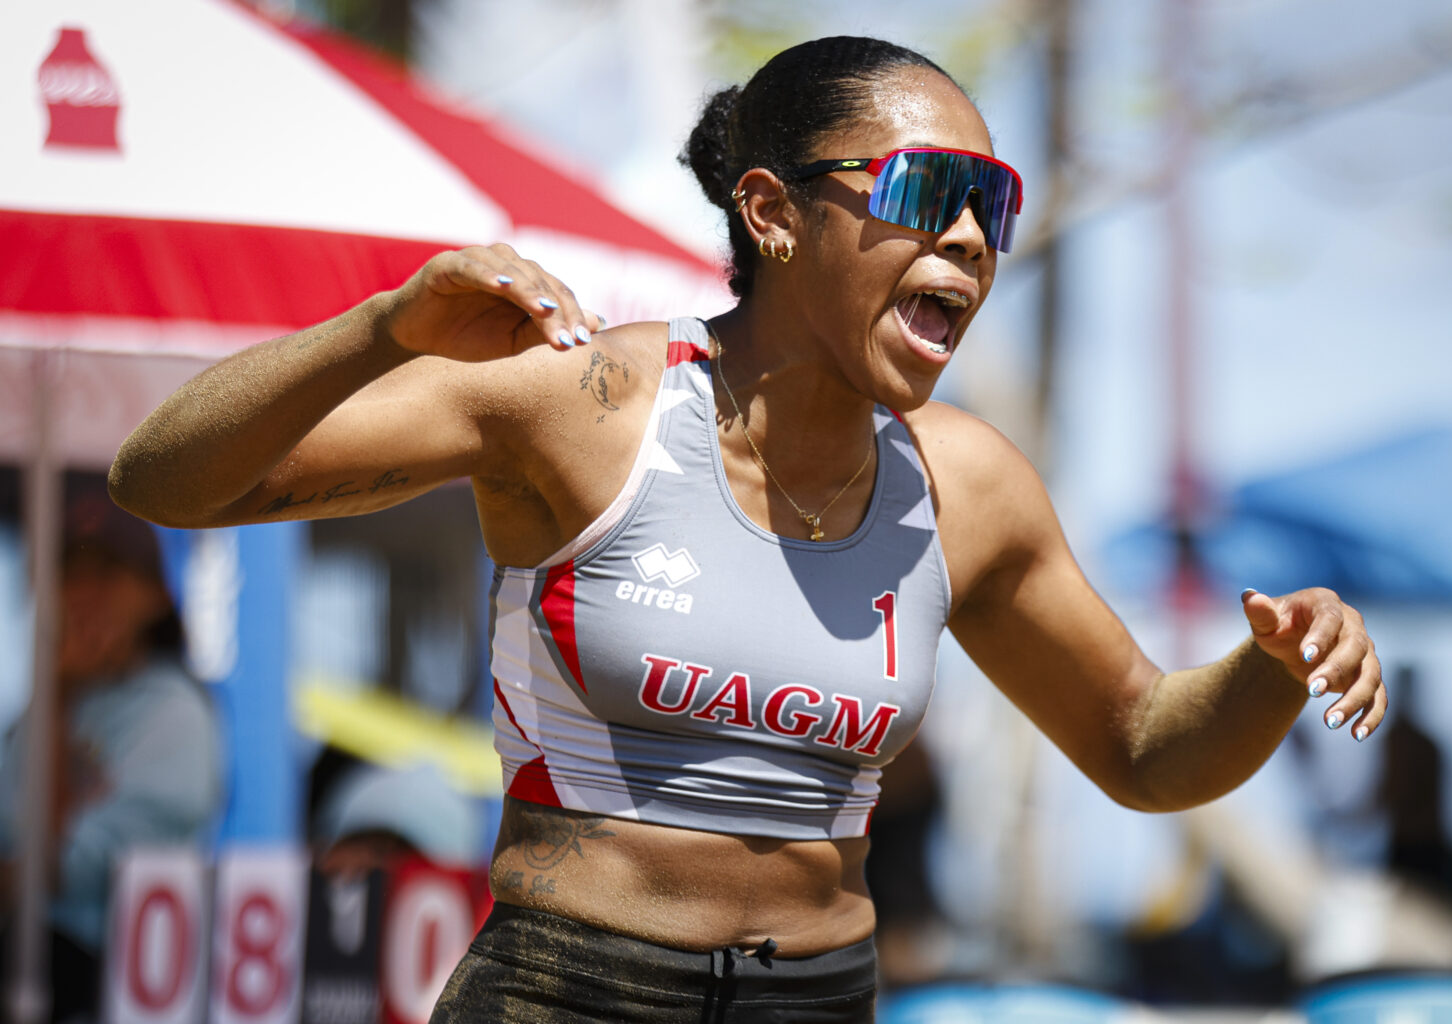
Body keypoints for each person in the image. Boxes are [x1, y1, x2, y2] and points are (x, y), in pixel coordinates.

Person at [108, 35, 1386, 1023]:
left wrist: (1271, 672)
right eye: (927, 188)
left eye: (989, 205)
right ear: (773, 212)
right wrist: (382, 326)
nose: (965, 237)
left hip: (820, 998)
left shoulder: (967, 486)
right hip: (573, 990)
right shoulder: (588, 404)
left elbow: (1145, 751)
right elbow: (163, 478)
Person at [0, 484, 223, 1023]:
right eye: (69, 572)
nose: (83, 592)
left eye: (107, 573)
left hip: (109, 986)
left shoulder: (178, 715)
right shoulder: (37, 709)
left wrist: (57, 694)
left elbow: (65, 874)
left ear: (154, 597)